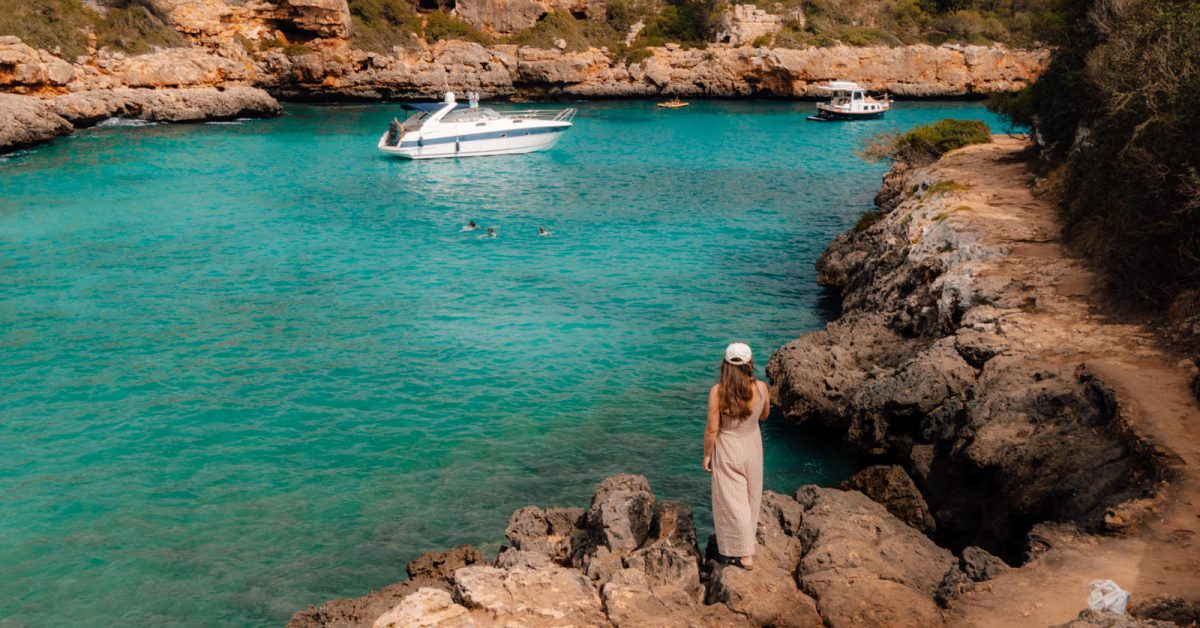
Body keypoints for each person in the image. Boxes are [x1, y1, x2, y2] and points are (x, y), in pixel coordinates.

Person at [703, 342, 768, 571]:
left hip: (728, 445)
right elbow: (764, 416)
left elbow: (712, 429)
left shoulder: (718, 392)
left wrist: (707, 455)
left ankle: (744, 552)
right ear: (750, 364)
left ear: (725, 364)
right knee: (752, 496)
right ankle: (746, 546)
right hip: (752, 444)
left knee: (733, 500)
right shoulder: (761, 387)